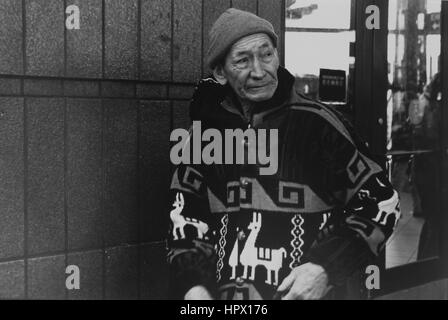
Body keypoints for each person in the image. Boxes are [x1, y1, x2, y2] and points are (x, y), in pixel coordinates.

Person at [166, 8, 400, 300]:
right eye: (242, 60)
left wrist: (325, 268)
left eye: (266, 55)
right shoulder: (203, 136)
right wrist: (193, 284)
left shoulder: (317, 125)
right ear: (219, 72)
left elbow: (382, 203)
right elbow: (185, 215)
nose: (259, 70)